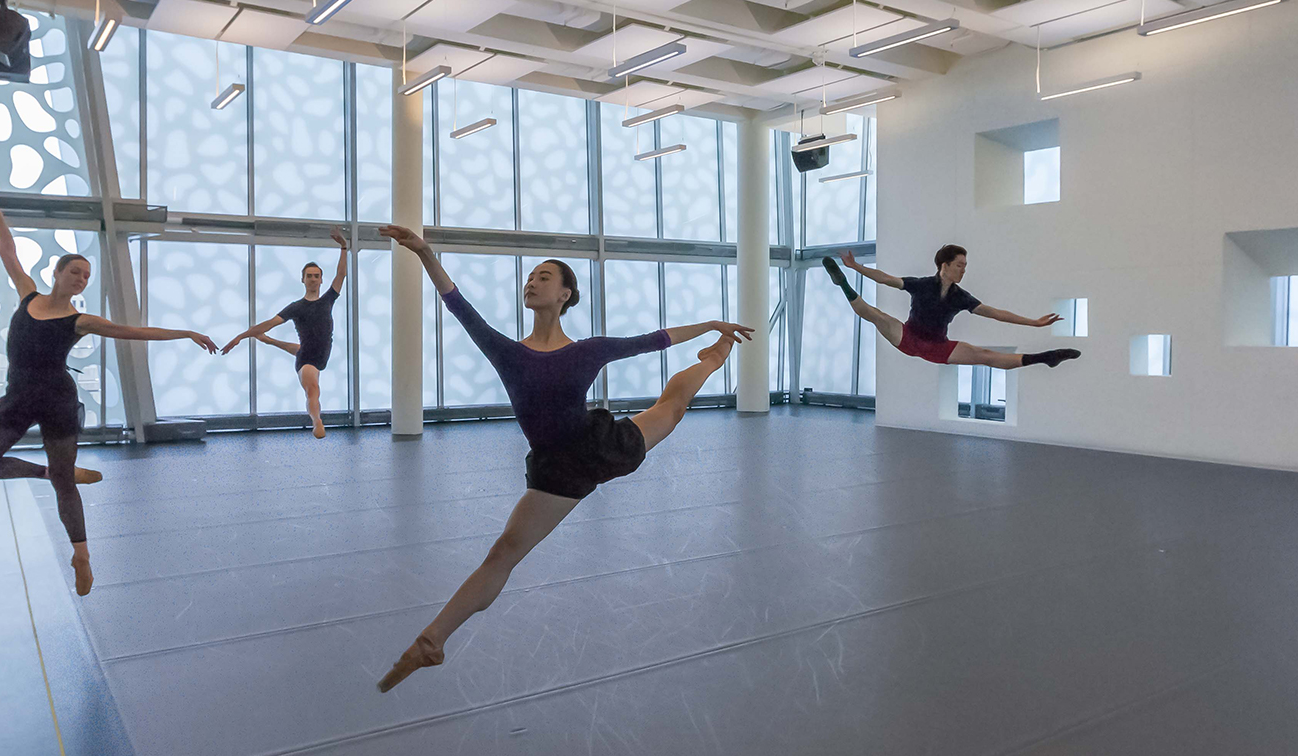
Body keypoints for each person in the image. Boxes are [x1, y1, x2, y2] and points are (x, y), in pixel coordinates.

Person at [374, 224, 751, 692]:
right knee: (503, 554)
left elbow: (654, 339)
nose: (531, 282)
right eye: (529, 277)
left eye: (544, 277)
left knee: (669, 409)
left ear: (565, 294)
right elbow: (457, 304)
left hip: (597, 444)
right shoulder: (507, 353)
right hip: (557, 470)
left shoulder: (587, 351)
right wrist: (426, 254)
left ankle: (713, 359)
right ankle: (433, 640)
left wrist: (713, 326)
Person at [0, 196, 219, 596]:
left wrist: (184, 333)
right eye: (76, 272)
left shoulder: (81, 321)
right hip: (17, 399)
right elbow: (8, 254)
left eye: (86, 277)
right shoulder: (27, 295)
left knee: (66, 485)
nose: (81, 280)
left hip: (58, 401)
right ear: (57, 272)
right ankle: (46, 471)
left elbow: (135, 332)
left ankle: (82, 556)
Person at [823, 245, 1080, 370]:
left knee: (986, 356)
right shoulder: (922, 284)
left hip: (938, 347)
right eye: (959, 265)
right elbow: (886, 278)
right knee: (875, 314)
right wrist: (857, 267)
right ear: (943, 265)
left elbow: (996, 314)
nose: (963, 270)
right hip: (908, 337)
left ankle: (1046, 358)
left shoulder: (960, 297)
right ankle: (843, 283)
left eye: (965, 266)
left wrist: (1034, 322)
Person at [222, 228, 350, 437]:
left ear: (321, 280)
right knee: (313, 389)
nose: (313, 279)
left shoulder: (328, 299)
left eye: (316, 276)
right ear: (302, 279)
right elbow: (270, 322)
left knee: (299, 348)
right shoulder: (296, 307)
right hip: (308, 359)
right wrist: (241, 336)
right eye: (309, 276)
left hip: (318, 353)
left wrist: (344, 247)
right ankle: (317, 421)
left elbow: (341, 274)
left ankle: (268, 341)